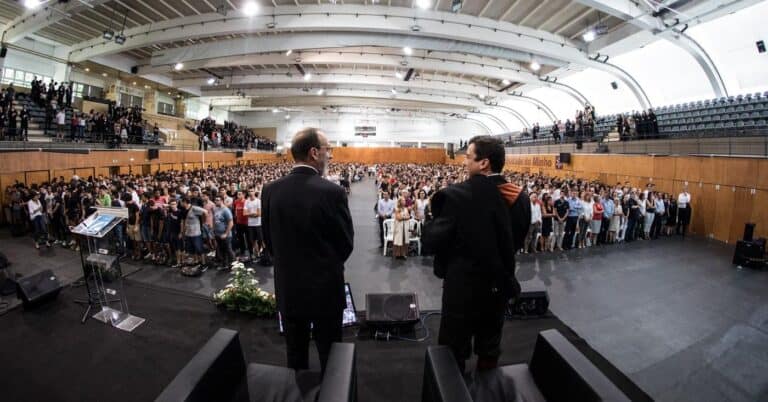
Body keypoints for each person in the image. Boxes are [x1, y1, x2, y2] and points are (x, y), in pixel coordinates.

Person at [423, 135, 528, 374]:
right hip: (498, 286)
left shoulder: (457, 196)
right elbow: (517, 241)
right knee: (489, 348)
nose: (464, 162)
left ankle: (453, 389)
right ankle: (488, 388)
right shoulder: (519, 197)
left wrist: (430, 218)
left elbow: (431, 241)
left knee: (453, 352)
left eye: (469, 157)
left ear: (484, 163)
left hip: (462, 289)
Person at [262, 128, 354, 373]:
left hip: (289, 288)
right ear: (314, 152)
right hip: (325, 290)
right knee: (331, 359)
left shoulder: (270, 190)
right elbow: (345, 244)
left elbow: (268, 241)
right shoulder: (333, 192)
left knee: (295, 357)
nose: (330, 155)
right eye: (327, 149)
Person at [212, 195, 235, 270]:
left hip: (226, 235)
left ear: (222, 201)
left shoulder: (226, 210)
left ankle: (233, 265)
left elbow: (231, 223)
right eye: (215, 200)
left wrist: (226, 233)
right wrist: (213, 230)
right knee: (221, 250)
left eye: (217, 200)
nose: (216, 201)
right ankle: (224, 264)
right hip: (218, 234)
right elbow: (214, 220)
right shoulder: (215, 209)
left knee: (228, 250)